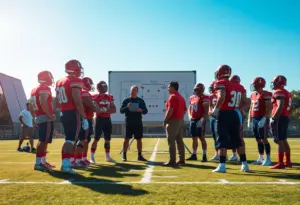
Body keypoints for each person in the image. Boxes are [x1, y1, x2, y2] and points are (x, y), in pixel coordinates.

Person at [210, 65, 249, 173]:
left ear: (219, 73)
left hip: (224, 114)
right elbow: (247, 101)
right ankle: (244, 165)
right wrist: (238, 108)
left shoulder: (220, 83)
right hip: (234, 114)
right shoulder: (238, 86)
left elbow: (221, 96)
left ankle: (222, 165)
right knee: (238, 139)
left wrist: (216, 109)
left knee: (222, 139)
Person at [55, 59, 88, 174]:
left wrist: (62, 111)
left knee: (68, 139)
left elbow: (57, 100)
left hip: (64, 112)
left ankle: (65, 164)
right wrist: (84, 117)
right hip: (73, 113)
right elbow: (77, 100)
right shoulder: (75, 80)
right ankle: (66, 165)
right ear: (76, 69)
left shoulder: (59, 81)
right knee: (71, 140)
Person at [30, 71, 56, 171]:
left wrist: (34, 118)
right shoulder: (45, 88)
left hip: (39, 116)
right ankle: (38, 163)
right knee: (43, 141)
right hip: (45, 117)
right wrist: (50, 115)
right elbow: (42, 102)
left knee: (43, 141)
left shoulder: (34, 89)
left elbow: (31, 106)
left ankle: (43, 161)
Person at [73, 77, 100, 167]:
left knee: (85, 140)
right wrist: (96, 106)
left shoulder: (83, 92)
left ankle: (81, 158)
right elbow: (92, 107)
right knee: (82, 140)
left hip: (83, 118)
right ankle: (78, 159)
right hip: (85, 118)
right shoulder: (84, 93)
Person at [270, 75, 292, 169]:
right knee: (283, 140)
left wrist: (274, 118)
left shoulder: (279, 92)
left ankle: (281, 163)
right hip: (285, 117)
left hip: (279, 118)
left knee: (279, 140)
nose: (273, 84)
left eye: (275, 82)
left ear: (278, 82)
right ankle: (288, 161)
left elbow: (280, 106)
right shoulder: (288, 93)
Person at [248, 77, 272, 166]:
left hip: (262, 118)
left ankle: (268, 158)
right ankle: (261, 157)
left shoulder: (266, 94)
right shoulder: (253, 94)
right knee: (258, 139)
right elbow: (251, 108)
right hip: (254, 118)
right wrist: (249, 119)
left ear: (259, 84)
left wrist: (265, 118)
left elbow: (269, 107)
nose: (253, 86)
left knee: (264, 139)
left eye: (254, 84)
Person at [120, 85, 148, 162]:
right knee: (126, 139)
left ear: (137, 91)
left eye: (135, 90)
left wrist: (141, 110)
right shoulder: (126, 100)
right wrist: (127, 107)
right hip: (129, 122)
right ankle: (124, 156)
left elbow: (146, 111)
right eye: (132, 90)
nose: (133, 92)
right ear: (130, 91)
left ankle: (139, 155)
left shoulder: (141, 101)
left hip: (138, 122)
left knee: (139, 139)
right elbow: (121, 111)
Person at [90, 81, 116, 163]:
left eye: (105, 86)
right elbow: (96, 110)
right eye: (104, 86)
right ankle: (92, 157)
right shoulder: (95, 97)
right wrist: (106, 110)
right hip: (99, 119)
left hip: (107, 119)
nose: (105, 88)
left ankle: (108, 156)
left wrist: (103, 109)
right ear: (99, 87)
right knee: (96, 139)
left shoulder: (110, 97)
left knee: (107, 139)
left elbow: (114, 109)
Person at [163, 81, 187, 167]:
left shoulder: (172, 97)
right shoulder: (181, 97)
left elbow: (170, 110)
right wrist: (180, 116)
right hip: (180, 120)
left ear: (173, 88)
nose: (168, 89)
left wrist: (165, 120)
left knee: (171, 140)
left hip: (173, 121)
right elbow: (185, 110)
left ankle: (172, 160)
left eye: (169, 87)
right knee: (180, 141)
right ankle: (181, 159)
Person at [186, 83, 209, 162]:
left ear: (202, 90)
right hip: (193, 119)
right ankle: (194, 154)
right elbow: (190, 107)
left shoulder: (205, 98)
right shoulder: (192, 98)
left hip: (200, 119)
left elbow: (206, 111)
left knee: (201, 138)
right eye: (195, 90)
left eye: (198, 90)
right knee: (194, 138)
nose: (196, 91)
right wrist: (189, 116)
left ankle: (204, 155)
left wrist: (202, 119)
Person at [208, 81, 219, 161]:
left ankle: (223, 154)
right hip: (212, 117)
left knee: (220, 136)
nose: (211, 89)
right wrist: (210, 111)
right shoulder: (211, 96)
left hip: (219, 117)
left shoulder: (220, 94)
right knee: (214, 136)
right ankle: (217, 154)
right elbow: (210, 106)